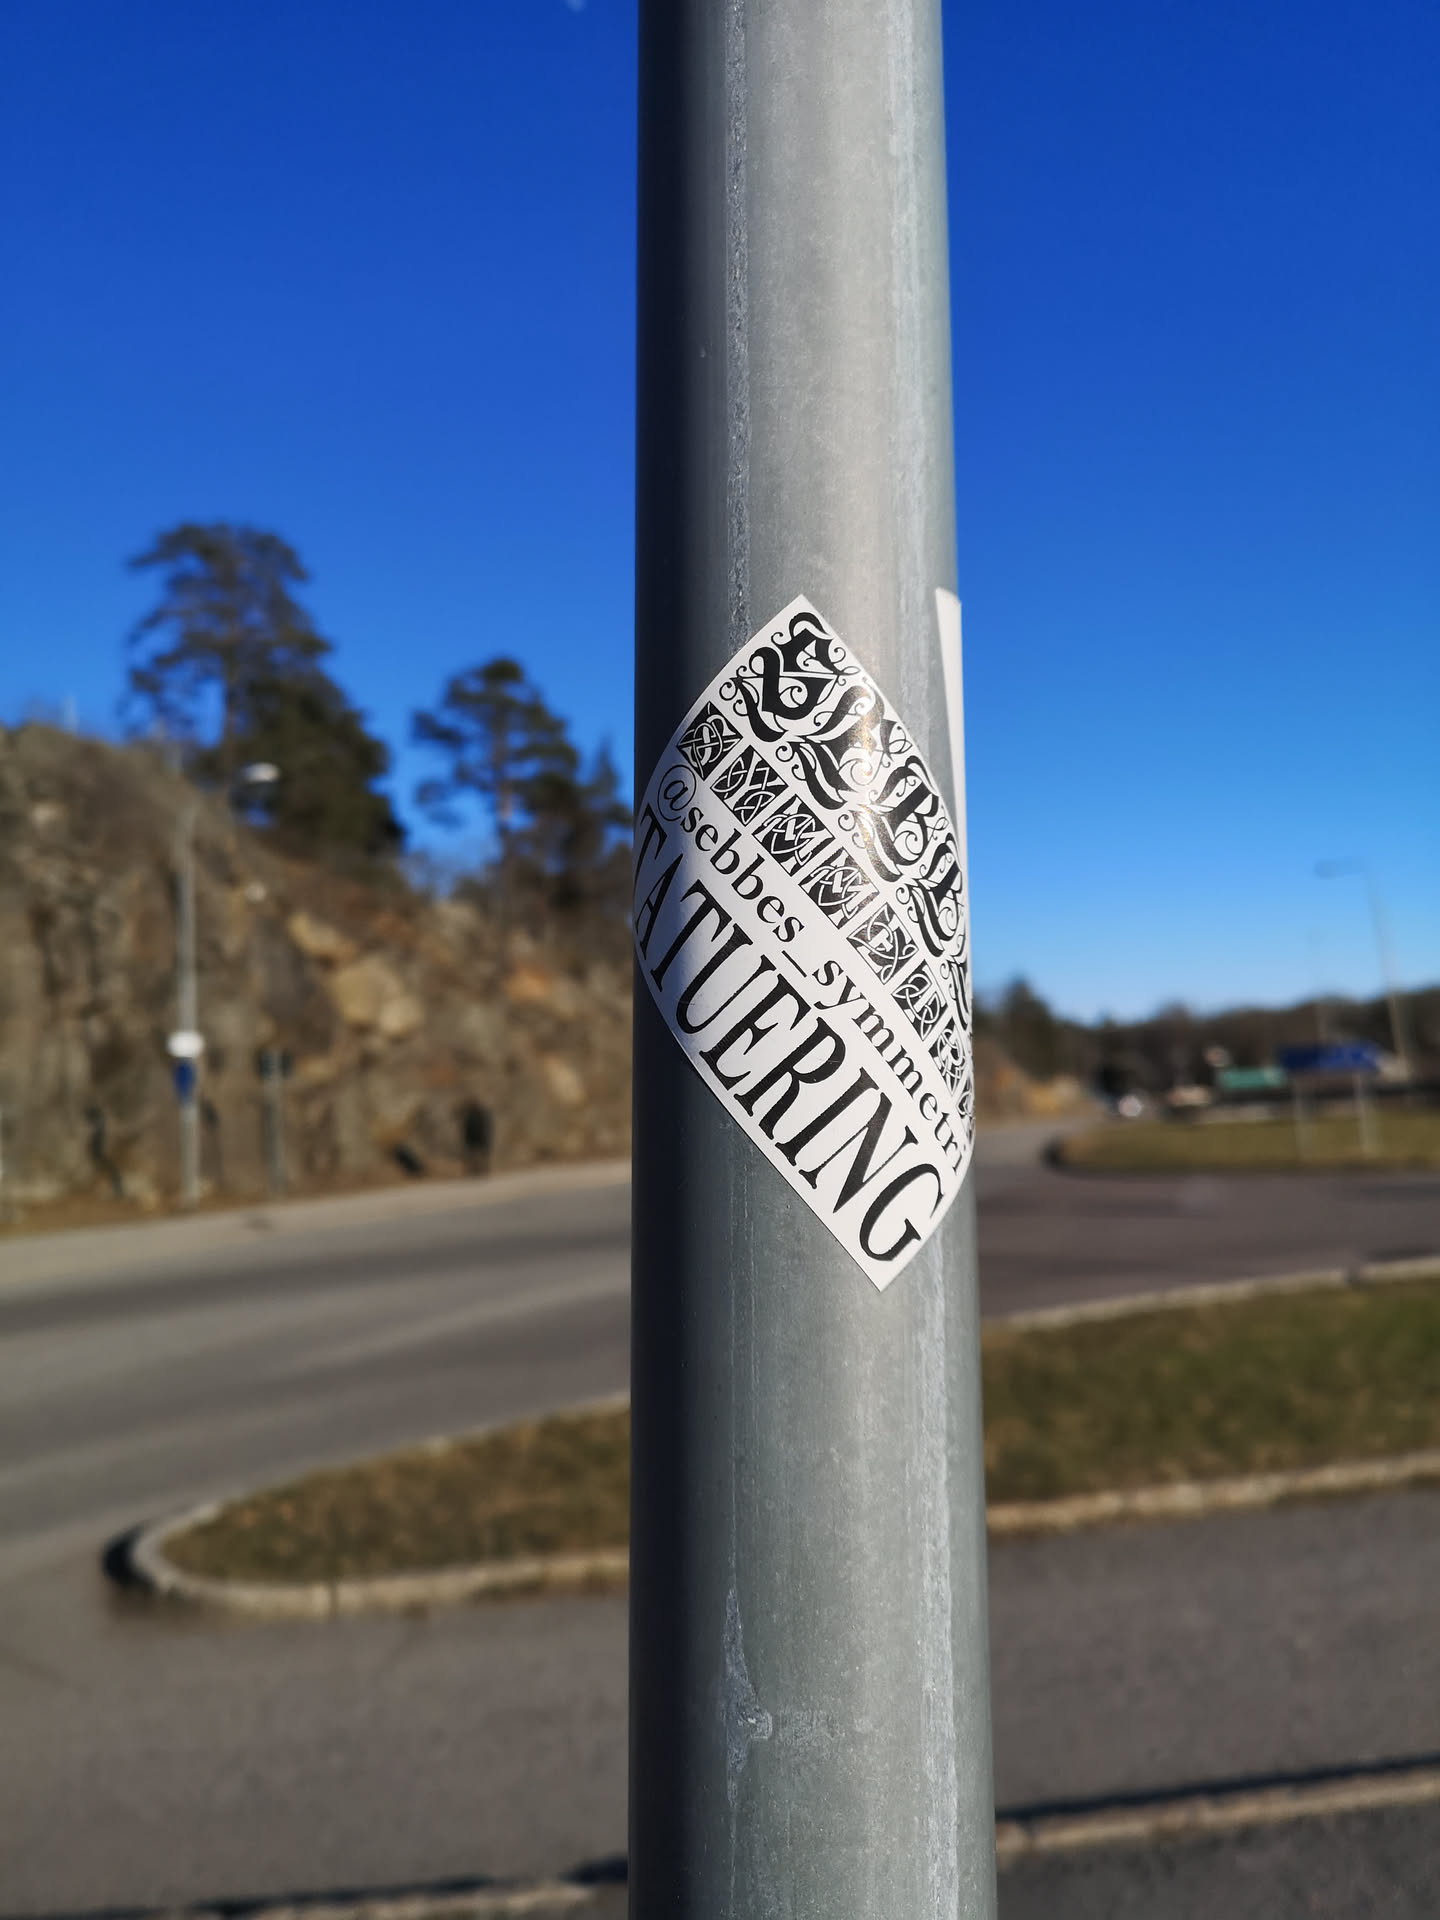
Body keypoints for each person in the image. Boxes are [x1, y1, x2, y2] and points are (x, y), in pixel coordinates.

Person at [459, 1099, 493, 1176]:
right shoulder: (473, 1116)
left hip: (477, 1139)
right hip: (476, 1139)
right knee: (475, 1156)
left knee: (477, 1156)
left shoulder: (478, 1116)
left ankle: (479, 1170)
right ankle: (476, 1170)